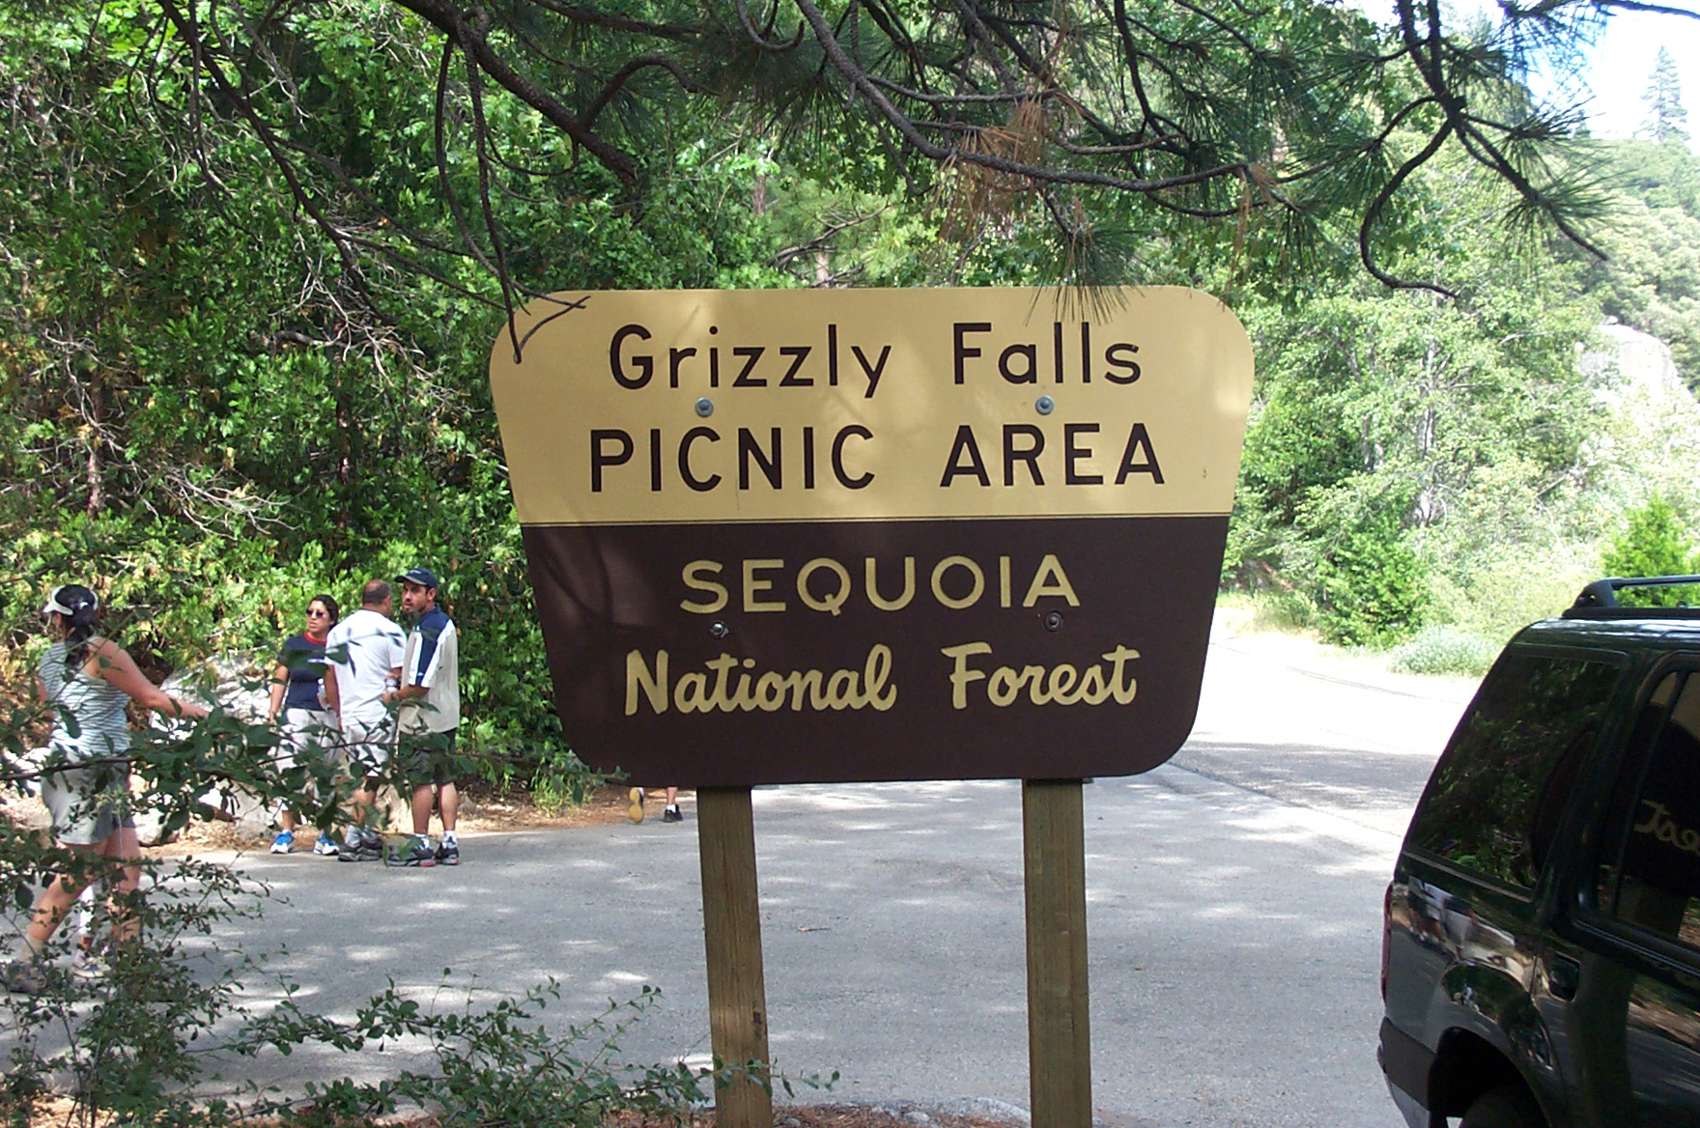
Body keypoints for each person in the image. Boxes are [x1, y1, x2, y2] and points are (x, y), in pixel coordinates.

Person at [5, 584, 208, 994]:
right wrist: (208, 717)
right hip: (89, 773)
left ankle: (129, 966)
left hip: (91, 770)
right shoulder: (104, 651)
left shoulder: (48, 658)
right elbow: (150, 698)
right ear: (96, 614)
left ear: (57, 618)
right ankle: (24, 959)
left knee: (126, 869)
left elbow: (50, 711)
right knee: (80, 871)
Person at [322, 579, 406, 862]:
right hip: (376, 713)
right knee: (369, 777)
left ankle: (367, 832)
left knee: (364, 772)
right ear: (386, 600)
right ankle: (353, 838)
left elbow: (330, 675)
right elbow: (399, 672)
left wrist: (338, 711)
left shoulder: (339, 631)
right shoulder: (391, 631)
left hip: (350, 713)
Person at [388, 567, 462, 867]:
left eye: (415, 591)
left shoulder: (427, 630)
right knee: (445, 778)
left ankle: (420, 843)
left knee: (421, 782)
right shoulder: (444, 624)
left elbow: (420, 685)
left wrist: (393, 696)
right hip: (446, 717)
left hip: (422, 721)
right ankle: (449, 842)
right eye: (405, 590)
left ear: (431, 594)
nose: (407, 596)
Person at [264, 595, 342, 856]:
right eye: (310, 612)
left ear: (331, 619)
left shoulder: (337, 646)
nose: (313, 618)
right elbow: (280, 677)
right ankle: (287, 831)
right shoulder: (295, 644)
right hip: (297, 712)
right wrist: (273, 710)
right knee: (290, 770)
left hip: (327, 715)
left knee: (325, 773)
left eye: (320, 614)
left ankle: (325, 834)